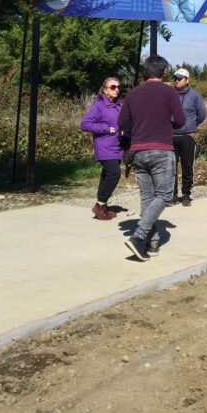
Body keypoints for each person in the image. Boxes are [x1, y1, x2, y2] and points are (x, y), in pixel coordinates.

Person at [118, 55, 185, 261]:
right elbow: (181, 121)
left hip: (138, 151)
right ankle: (139, 237)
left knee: (147, 198)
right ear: (164, 72)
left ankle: (152, 242)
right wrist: (165, 126)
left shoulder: (132, 94)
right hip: (162, 150)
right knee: (164, 195)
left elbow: (121, 122)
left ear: (145, 72)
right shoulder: (169, 92)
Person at [80, 77, 124, 220]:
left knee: (106, 175)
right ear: (105, 90)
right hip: (105, 145)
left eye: (118, 87)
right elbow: (85, 124)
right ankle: (99, 204)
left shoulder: (119, 105)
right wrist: (105, 128)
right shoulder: (98, 105)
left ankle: (103, 208)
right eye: (113, 87)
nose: (116, 89)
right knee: (114, 173)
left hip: (117, 146)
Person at [170, 68, 206, 206]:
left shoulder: (195, 95)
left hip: (187, 136)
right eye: (175, 78)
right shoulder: (169, 94)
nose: (176, 81)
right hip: (171, 135)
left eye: (179, 78)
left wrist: (191, 125)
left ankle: (186, 195)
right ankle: (172, 195)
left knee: (187, 167)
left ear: (187, 80)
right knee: (171, 167)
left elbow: (201, 114)